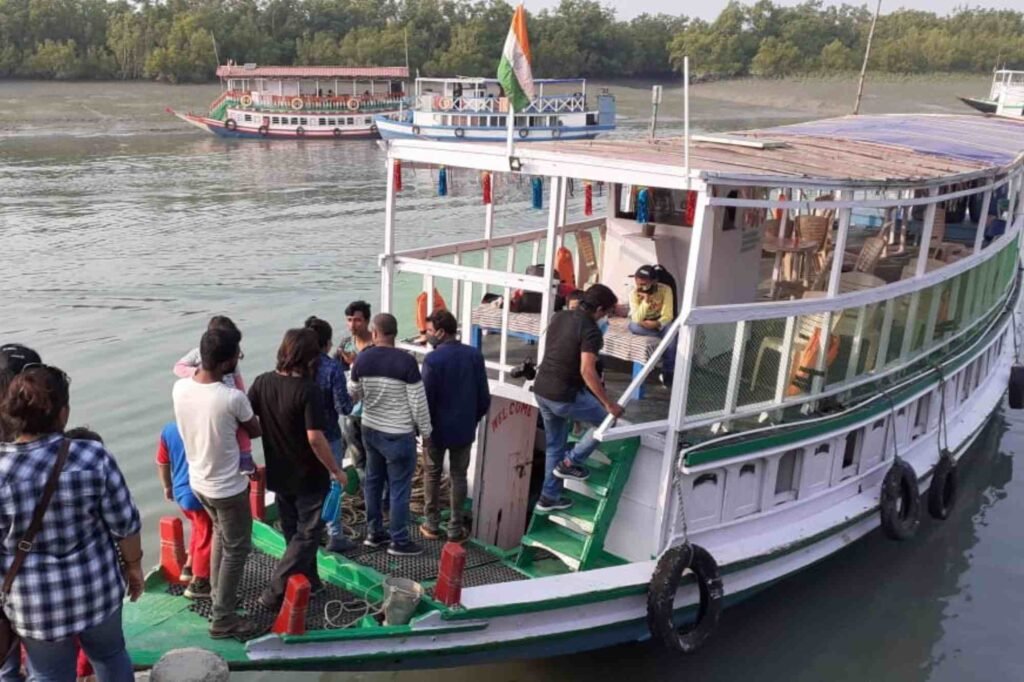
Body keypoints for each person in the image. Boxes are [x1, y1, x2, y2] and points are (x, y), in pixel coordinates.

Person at [0, 365, 142, 681]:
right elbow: (126, 524)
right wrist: (134, 568)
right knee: (111, 656)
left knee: (49, 674)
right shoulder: (92, 456)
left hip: (35, 606)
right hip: (97, 591)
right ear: (63, 414)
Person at [172, 327, 263, 640]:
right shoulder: (231, 398)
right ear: (226, 363)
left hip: (199, 481)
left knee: (222, 539)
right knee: (237, 548)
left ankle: (217, 597)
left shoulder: (180, 389)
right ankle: (223, 618)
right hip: (227, 487)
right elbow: (254, 430)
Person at [248, 329, 348, 610]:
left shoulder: (262, 383)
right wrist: (336, 470)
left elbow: (245, 417)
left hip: (279, 472)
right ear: (309, 358)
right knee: (307, 535)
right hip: (308, 475)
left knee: (293, 531)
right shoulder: (308, 390)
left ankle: (311, 582)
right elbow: (315, 438)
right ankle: (274, 591)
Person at [531, 284, 624, 512]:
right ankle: (572, 462)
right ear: (599, 309)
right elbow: (587, 371)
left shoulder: (560, 316)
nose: (606, 318)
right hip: (563, 394)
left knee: (554, 445)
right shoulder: (591, 330)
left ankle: (548, 498)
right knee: (606, 421)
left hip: (542, 389)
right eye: (607, 313)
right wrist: (608, 404)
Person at [349, 313, 432, 556]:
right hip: (398, 434)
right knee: (399, 489)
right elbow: (418, 402)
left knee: (373, 482)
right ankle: (399, 541)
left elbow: (353, 393)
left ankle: (374, 534)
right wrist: (426, 433)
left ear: (374, 333)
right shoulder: (406, 362)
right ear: (394, 334)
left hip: (370, 430)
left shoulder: (362, 360)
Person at [420, 310, 490, 543]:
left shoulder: (432, 360)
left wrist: (423, 428)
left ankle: (431, 524)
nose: (426, 335)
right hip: (464, 428)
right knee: (459, 476)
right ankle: (455, 527)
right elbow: (483, 398)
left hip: (436, 430)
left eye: (429, 331)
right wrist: (472, 419)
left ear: (440, 332)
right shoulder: (474, 356)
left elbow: (426, 399)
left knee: (432, 474)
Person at [174, 316, 255, 474]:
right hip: (214, 396)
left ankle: (245, 456)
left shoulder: (232, 363)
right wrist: (195, 372)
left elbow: (238, 381)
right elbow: (178, 367)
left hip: (229, 398)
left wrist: (243, 399)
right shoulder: (197, 354)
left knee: (241, 430)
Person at [303, 316, 355, 553]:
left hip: (301, 436)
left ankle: (311, 531)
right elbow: (343, 407)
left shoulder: (297, 365)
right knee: (333, 484)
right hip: (329, 434)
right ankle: (335, 534)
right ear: (327, 343)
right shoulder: (331, 368)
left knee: (309, 487)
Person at [155, 421, 213, 600]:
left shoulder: (169, 429)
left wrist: (167, 486)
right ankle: (200, 582)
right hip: (199, 492)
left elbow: (162, 463)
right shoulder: (203, 426)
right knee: (208, 534)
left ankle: (188, 566)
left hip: (181, 492)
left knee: (198, 527)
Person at [335, 301, 373, 480]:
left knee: (372, 460)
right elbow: (335, 371)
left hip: (372, 413)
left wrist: (356, 363)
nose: (352, 325)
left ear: (366, 321)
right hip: (351, 410)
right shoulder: (346, 344)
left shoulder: (377, 345)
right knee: (358, 460)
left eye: (357, 320)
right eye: (349, 320)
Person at [627, 265, 676, 380]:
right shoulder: (634, 293)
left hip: (659, 322)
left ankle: (668, 371)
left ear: (654, 281)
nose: (640, 287)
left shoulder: (665, 290)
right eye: (638, 283)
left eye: (644, 284)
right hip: (643, 324)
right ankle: (661, 337)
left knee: (672, 334)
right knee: (632, 326)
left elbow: (668, 315)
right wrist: (645, 301)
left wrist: (657, 324)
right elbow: (636, 318)